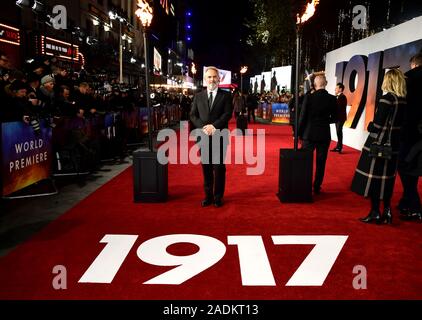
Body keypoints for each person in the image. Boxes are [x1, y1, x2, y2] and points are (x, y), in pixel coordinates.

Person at [351, 69, 407, 224]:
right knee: (388, 179)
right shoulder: (403, 101)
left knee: (375, 179)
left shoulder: (386, 99)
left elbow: (377, 125)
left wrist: (370, 126)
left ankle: (375, 212)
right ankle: (387, 211)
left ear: (388, 81)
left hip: (379, 145)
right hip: (394, 145)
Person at [190, 66, 233, 208]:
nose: (212, 79)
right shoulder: (198, 96)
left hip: (219, 136)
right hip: (203, 137)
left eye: (214, 77)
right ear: (205, 79)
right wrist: (203, 127)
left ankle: (218, 197)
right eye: (209, 77)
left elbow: (227, 114)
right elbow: (192, 115)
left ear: (219, 79)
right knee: (206, 168)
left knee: (219, 168)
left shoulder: (226, 96)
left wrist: (213, 126)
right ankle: (208, 196)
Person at [298, 74, 337, 195]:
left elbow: (302, 117)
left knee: (305, 161)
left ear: (315, 85)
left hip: (309, 134)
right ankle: (317, 186)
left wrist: (298, 133)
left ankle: (304, 185)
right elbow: (335, 118)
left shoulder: (309, 97)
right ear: (326, 83)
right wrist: (325, 121)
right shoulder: (332, 99)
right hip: (324, 134)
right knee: (321, 162)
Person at [397, 53, 422, 221]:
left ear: (413, 64)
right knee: (412, 169)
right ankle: (406, 201)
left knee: (405, 168)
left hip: (410, 133)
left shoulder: (408, 78)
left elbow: (402, 108)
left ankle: (414, 207)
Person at [331, 82, 348, 153]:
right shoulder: (337, 97)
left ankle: (340, 147)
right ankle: (338, 146)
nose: (335, 89)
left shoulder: (343, 97)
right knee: (338, 132)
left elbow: (339, 107)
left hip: (341, 118)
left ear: (340, 89)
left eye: (337, 87)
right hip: (337, 118)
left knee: (339, 131)